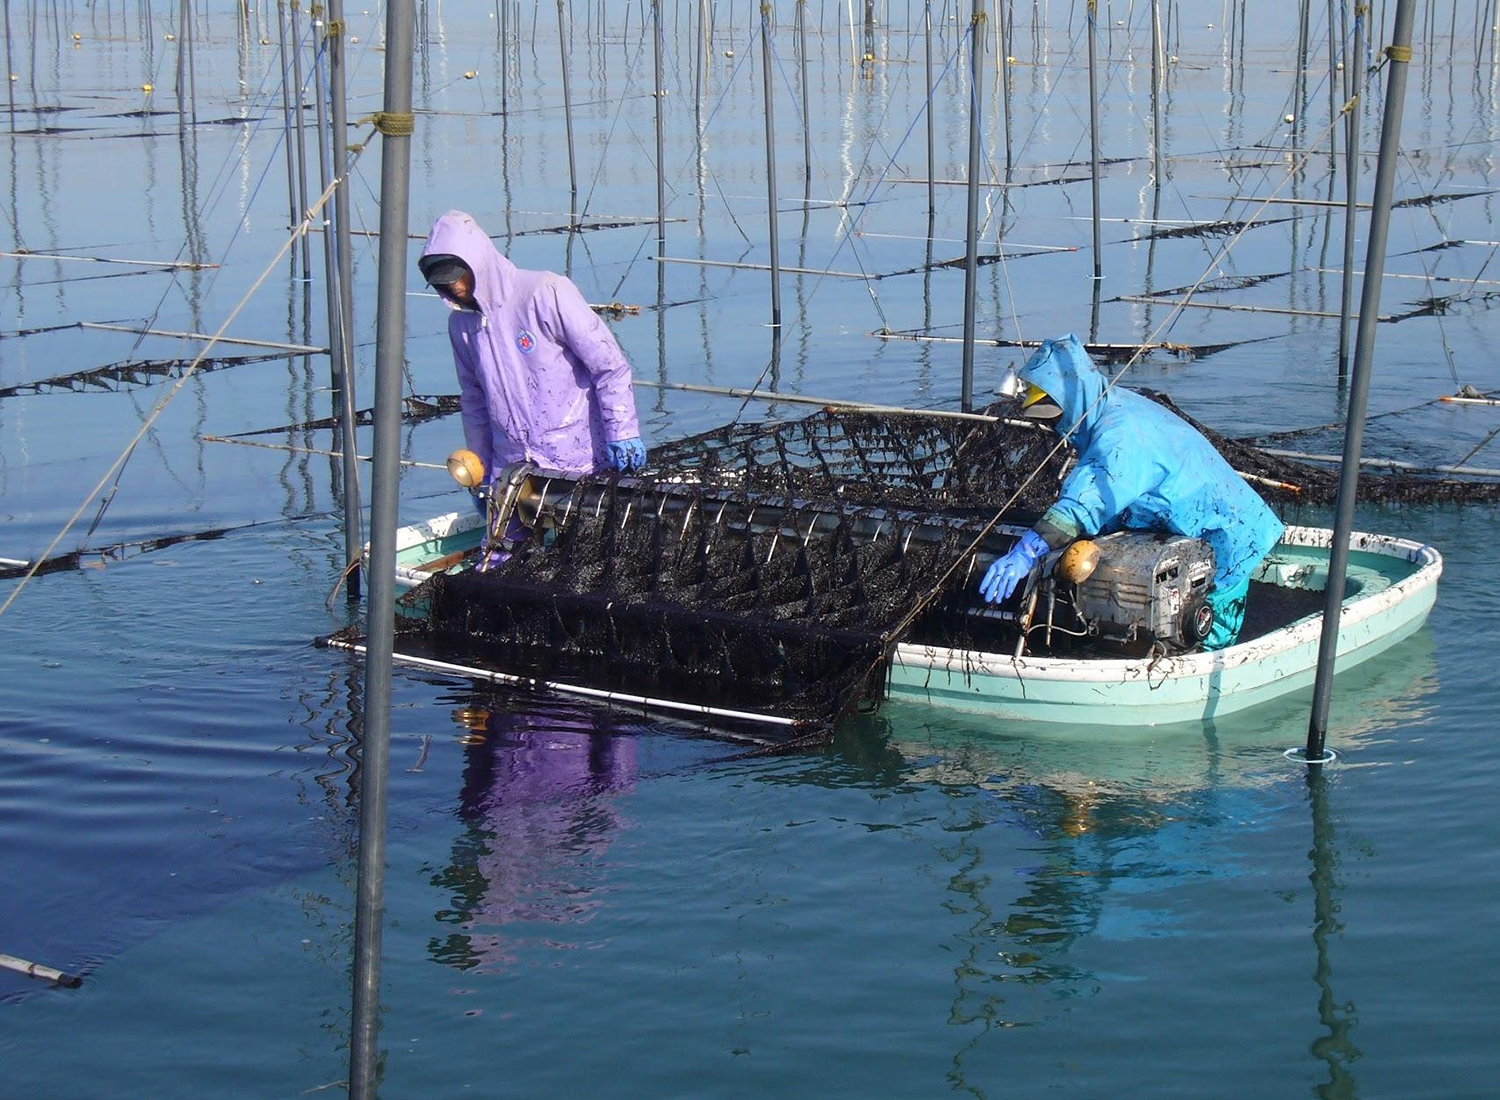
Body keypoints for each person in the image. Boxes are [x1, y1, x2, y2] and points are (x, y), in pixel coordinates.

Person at [978, 334, 1283, 651]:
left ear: (1068, 405)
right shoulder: (1106, 404)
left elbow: (1087, 501)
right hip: (1183, 516)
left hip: (1227, 532)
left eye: (1054, 418)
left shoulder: (1121, 435)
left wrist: (1025, 553)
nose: (1055, 428)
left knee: (1201, 623)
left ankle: (1205, 666)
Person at [418, 211, 647, 503]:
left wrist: (622, 431)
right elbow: (474, 398)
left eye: (458, 277)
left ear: (478, 263)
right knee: (502, 548)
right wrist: (483, 470)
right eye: (444, 284)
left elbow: (608, 367)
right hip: (512, 467)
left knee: (582, 542)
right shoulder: (460, 325)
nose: (456, 288)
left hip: (578, 460)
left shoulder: (544, 292)